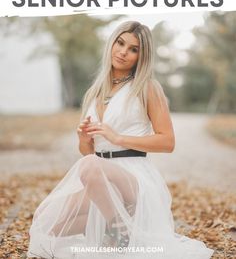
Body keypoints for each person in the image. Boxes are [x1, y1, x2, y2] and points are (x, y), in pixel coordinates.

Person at [27, 21, 214, 258]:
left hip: (133, 181)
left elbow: (167, 142)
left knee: (89, 165)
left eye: (133, 49)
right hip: (99, 178)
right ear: (112, 43)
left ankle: (120, 228)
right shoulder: (95, 92)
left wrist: (118, 137)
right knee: (46, 226)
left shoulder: (147, 88)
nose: (123, 52)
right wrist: (83, 138)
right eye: (120, 43)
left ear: (141, 56)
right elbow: (88, 153)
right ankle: (113, 223)